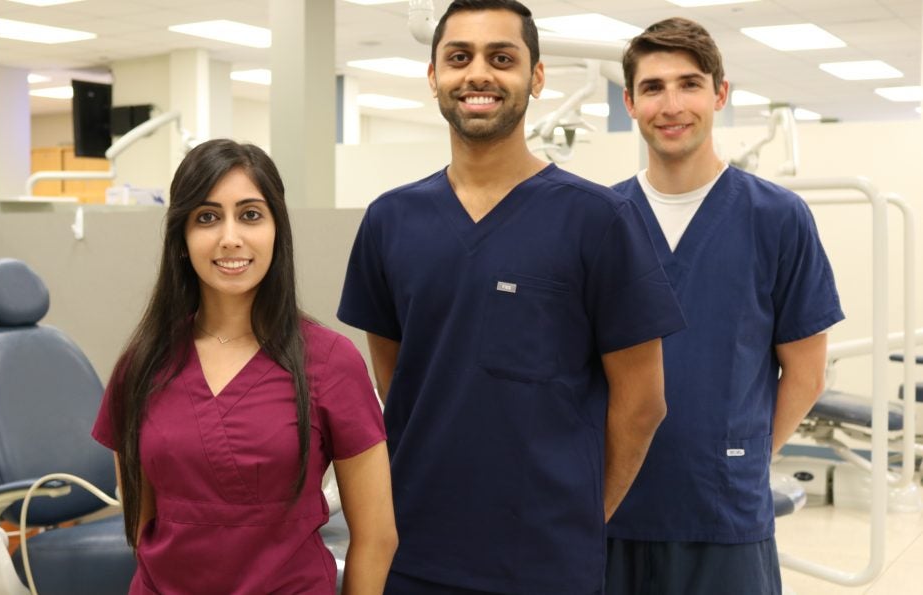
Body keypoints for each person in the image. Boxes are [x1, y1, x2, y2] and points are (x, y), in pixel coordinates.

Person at [337, 1, 687, 592]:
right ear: (433, 78)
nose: (479, 74)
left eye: (502, 58)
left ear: (537, 77)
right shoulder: (390, 221)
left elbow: (643, 402)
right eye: (458, 58)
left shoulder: (600, 220)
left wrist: (579, 517)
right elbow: (398, 383)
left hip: (546, 561)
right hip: (415, 551)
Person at [92, 139, 398, 594]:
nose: (230, 237)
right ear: (181, 238)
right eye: (207, 217)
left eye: (251, 214)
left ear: (277, 230)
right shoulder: (143, 364)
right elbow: (140, 522)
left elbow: (376, 538)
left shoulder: (331, 362)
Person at [605, 18, 845, 595]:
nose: (672, 104)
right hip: (612, 509)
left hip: (725, 516)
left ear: (720, 94)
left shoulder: (777, 218)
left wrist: (740, 460)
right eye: (653, 88)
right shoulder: (599, 220)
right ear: (630, 103)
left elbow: (807, 373)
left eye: (689, 84)